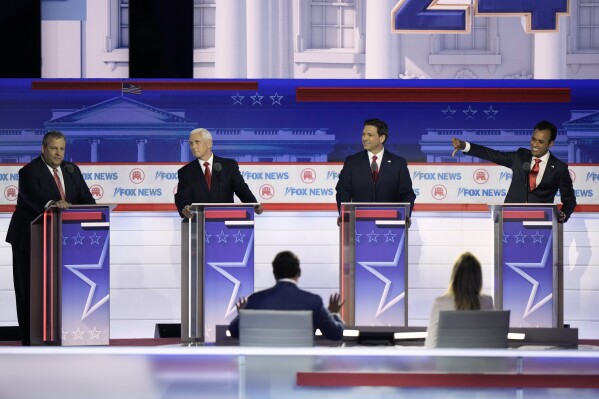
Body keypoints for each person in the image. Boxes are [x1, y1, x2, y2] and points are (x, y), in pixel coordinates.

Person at [5, 131, 96, 345]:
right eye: (54, 148)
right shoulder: (28, 171)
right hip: (28, 239)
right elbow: (34, 198)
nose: (58, 153)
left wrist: (93, 209)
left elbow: (87, 198)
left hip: (63, 239)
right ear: (43, 149)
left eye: (62, 149)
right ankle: (30, 339)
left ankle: (62, 335)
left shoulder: (71, 170)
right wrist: (53, 204)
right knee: (29, 291)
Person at [451, 120, 576, 222]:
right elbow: (493, 155)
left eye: (541, 141)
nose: (534, 144)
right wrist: (465, 146)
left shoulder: (559, 168)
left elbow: (569, 200)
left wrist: (564, 214)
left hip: (541, 224)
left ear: (551, 144)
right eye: (533, 139)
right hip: (511, 220)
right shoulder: (520, 157)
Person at [229, 251, 345, 341]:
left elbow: (234, 332)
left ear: (274, 273)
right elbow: (335, 334)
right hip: (302, 368)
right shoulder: (313, 302)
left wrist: (242, 314)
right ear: (299, 273)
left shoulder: (255, 300)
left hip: (262, 369)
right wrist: (334, 313)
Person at [335, 118, 416, 225]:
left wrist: (406, 215)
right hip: (359, 223)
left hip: (390, 224)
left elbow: (407, 194)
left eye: (370, 135)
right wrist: (344, 213)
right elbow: (343, 191)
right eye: (363, 134)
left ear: (382, 138)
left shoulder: (398, 163)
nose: (364, 138)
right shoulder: (351, 162)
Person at [175, 128, 263, 218]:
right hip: (198, 223)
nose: (193, 147)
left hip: (225, 223)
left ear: (209, 143)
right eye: (191, 143)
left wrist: (254, 204)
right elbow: (182, 197)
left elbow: (242, 189)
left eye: (197, 142)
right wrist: (184, 207)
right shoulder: (185, 172)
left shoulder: (229, 166)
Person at [425, 252, 494, 348]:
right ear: (478, 278)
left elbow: (430, 345)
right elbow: (492, 342)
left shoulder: (440, 303)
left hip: (448, 362)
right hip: (479, 362)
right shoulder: (487, 302)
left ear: (455, 276)